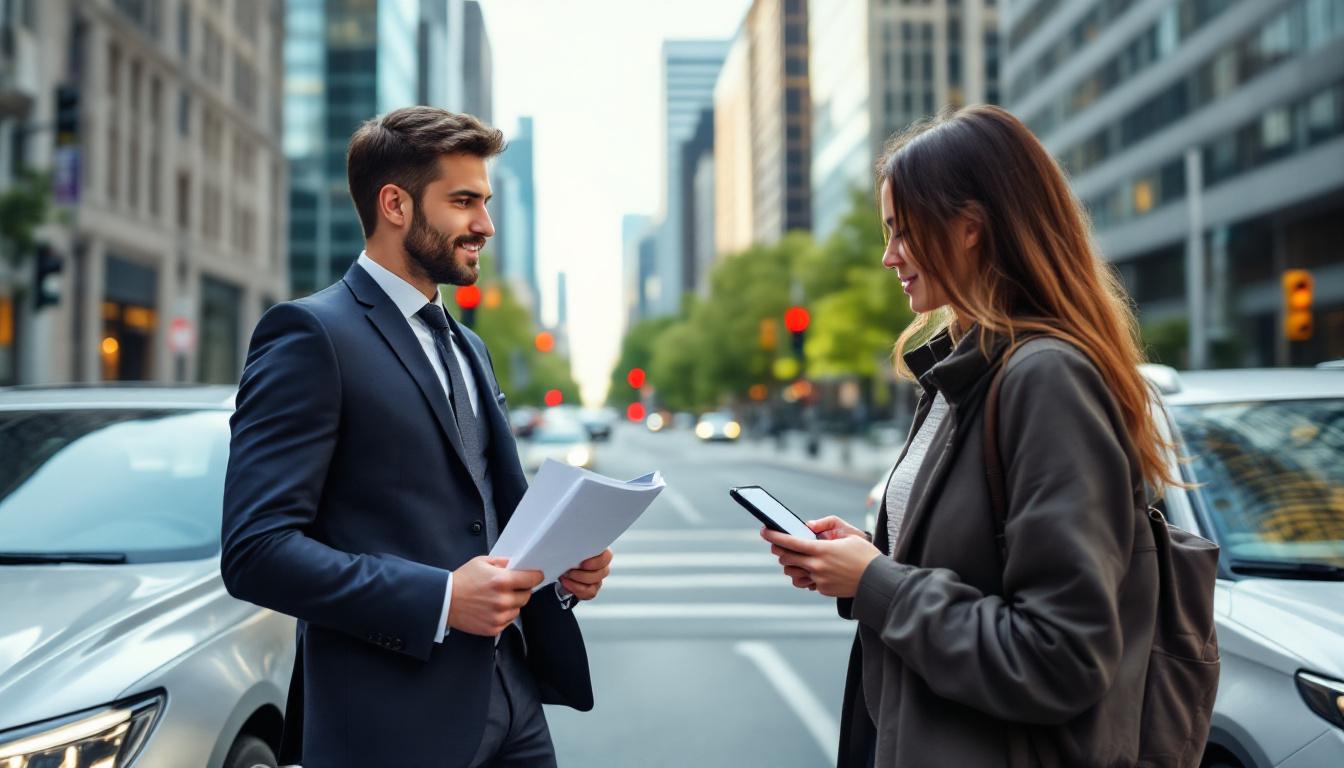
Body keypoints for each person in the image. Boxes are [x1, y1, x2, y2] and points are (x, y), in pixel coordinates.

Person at [762, 105, 1183, 767]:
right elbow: (965, 573)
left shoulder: (1045, 379)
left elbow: (1061, 655)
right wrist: (862, 565)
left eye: (903, 231)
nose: (887, 255)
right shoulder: (961, 372)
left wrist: (877, 581)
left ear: (970, 230)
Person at [221, 107, 612, 767]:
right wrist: (440, 599)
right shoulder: (310, 335)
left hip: (514, 700)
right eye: (464, 201)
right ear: (395, 204)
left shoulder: (471, 347)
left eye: (484, 202)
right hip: (391, 725)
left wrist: (562, 571)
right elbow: (256, 552)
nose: (484, 225)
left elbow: (484, 515)